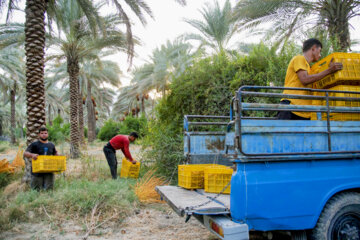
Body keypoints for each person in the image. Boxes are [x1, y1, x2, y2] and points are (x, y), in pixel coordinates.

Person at [278, 38, 343, 120]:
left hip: (304, 112)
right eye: (320, 51)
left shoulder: (310, 69)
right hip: (290, 107)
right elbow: (305, 79)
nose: (320, 55)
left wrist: (328, 67)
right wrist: (329, 70)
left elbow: (317, 76)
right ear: (313, 48)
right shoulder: (299, 58)